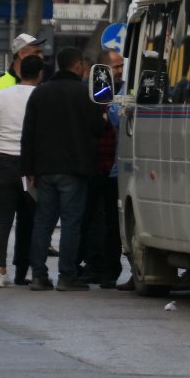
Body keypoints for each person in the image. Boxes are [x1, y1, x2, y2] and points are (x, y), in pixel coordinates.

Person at [21, 47, 109, 291]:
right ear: (79, 65)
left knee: (43, 222)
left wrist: (29, 169)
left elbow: (28, 133)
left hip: (44, 169)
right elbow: (98, 128)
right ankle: (66, 276)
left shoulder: (40, 93)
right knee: (71, 223)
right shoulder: (84, 93)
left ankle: (38, 275)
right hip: (75, 168)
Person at [0, 55, 43, 286]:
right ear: (39, 74)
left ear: (19, 72)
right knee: (32, 220)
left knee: (3, 219)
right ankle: (24, 270)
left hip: (4, 163)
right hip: (30, 167)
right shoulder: (40, 95)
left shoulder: (2, 94)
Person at [79, 48, 124, 288]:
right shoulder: (90, 92)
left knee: (112, 222)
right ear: (103, 69)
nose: (119, 71)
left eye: (120, 67)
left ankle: (110, 269)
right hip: (93, 164)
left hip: (115, 168)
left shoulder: (126, 91)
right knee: (89, 218)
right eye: (115, 67)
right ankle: (92, 263)